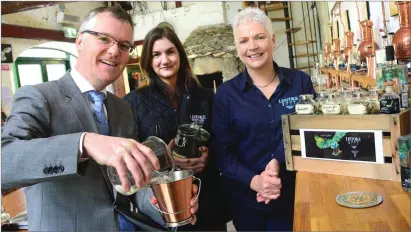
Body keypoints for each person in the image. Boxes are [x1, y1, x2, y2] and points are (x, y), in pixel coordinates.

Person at [1, 7, 198, 232]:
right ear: (79, 41)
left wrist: (167, 208)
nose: (114, 51)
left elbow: (133, 185)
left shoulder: (122, 108)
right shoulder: (39, 96)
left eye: (124, 45)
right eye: (104, 38)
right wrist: (84, 143)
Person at [211, 7, 315, 231]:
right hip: (248, 202)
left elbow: (309, 133)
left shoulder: (300, 83)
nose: (252, 47)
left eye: (259, 37)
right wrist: (256, 182)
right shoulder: (226, 95)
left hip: (296, 195)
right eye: (244, 40)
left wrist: (277, 161)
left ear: (272, 39)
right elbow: (224, 155)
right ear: (237, 47)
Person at [123, 26, 227, 231]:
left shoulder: (205, 97)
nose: (165, 60)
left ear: (179, 54)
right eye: (156, 54)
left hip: (206, 199)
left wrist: (208, 156)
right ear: (148, 61)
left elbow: (223, 142)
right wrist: (164, 158)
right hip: (161, 206)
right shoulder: (134, 102)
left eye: (170, 52)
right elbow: (130, 157)